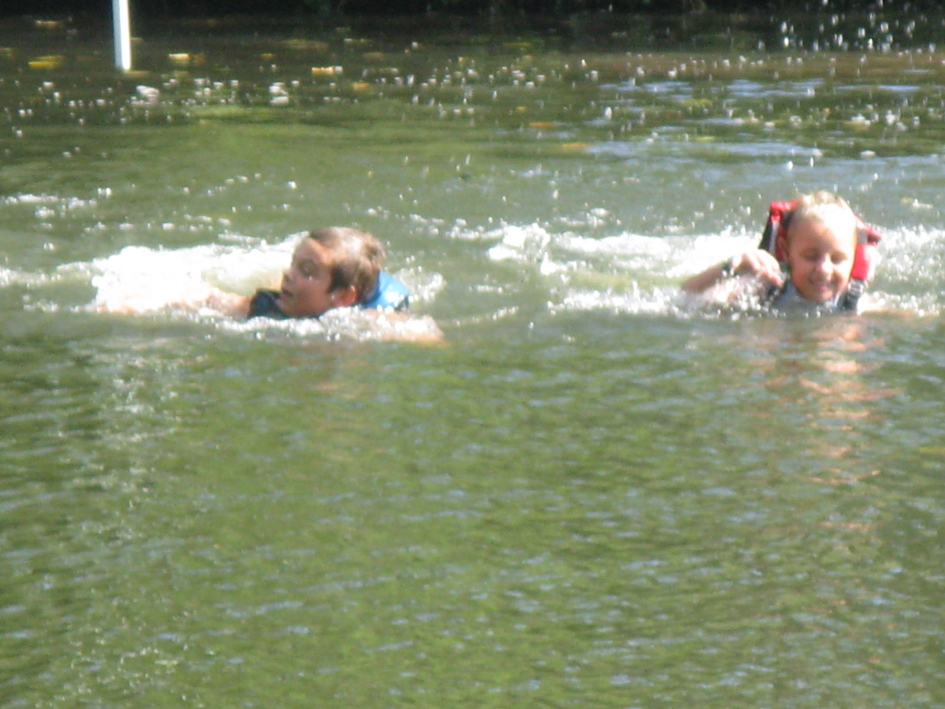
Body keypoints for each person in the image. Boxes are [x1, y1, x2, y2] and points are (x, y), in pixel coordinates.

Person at [681, 191, 881, 312]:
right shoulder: (766, 289)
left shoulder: (853, 302)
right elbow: (686, 295)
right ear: (786, 251)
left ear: (853, 259)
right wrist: (731, 267)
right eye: (811, 257)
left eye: (837, 259)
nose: (823, 269)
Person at [205, 226, 409, 319]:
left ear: (342, 296)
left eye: (307, 272)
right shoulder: (265, 306)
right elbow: (212, 300)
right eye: (293, 263)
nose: (288, 274)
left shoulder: (366, 322)